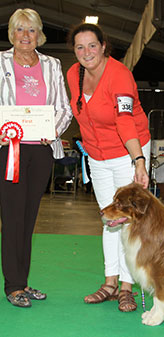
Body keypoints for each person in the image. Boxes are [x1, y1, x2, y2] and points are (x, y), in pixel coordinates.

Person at [67, 23, 151, 312]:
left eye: (92, 45)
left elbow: (124, 120)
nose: (86, 52)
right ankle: (110, 283)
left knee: (128, 221)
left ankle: (127, 287)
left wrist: (139, 160)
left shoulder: (119, 75)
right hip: (97, 156)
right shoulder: (73, 75)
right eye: (80, 47)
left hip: (128, 151)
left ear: (104, 46)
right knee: (109, 218)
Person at [0, 8, 73, 307]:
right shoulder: (0, 62)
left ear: (39, 34)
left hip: (42, 150)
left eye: (31, 30)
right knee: (13, 218)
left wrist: (52, 131)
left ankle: (23, 281)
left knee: (28, 220)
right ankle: (13, 286)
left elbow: (64, 107)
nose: (25, 36)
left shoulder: (52, 65)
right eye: (20, 29)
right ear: (12, 34)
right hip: (10, 150)